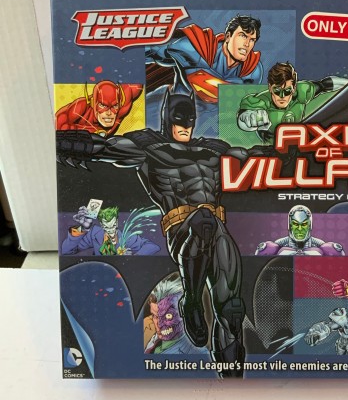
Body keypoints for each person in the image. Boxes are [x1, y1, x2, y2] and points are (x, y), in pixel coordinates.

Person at [56, 89, 272, 377]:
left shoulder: (213, 149)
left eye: (190, 120)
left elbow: (258, 157)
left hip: (216, 227)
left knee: (231, 310)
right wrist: (60, 141)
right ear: (167, 118)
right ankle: (192, 301)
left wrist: (283, 144)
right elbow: (101, 147)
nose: (185, 126)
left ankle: (231, 377)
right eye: (179, 119)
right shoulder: (148, 148)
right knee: (203, 222)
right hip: (182, 228)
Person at [146, 15, 264, 135]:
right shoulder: (195, 47)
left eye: (252, 40)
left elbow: (244, 104)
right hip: (177, 114)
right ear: (228, 36)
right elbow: (150, 50)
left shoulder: (252, 70)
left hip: (213, 125)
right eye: (243, 36)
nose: (247, 44)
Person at [238, 62, 348, 143]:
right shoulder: (262, 102)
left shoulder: (302, 91)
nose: (282, 96)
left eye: (287, 91)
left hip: (300, 145)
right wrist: (247, 118)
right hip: (272, 150)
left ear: (294, 88)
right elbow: (243, 118)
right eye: (277, 91)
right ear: (270, 88)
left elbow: (325, 85)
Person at [144, 273, 210, 356]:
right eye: (155, 316)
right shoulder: (155, 340)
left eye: (168, 315)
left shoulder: (197, 353)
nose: (159, 324)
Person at [61, 206, 160, 256]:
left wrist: (134, 257)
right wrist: (84, 228)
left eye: (113, 226)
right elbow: (66, 251)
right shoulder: (94, 234)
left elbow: (153, 246)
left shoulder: (127, 237)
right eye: (106, 227)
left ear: (116, 222)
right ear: (101, 224)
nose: (111, 231)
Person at [56, 80, 143, 136]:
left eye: (114, 106)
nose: (109, 113)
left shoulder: (121, 107)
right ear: (93, 103)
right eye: (103, 106)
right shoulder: (81, 106)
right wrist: (92, 131)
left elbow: (135, 85)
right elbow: (58, 124)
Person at [255, 205, 345, 256]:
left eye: (304, 224)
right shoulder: (273, 247)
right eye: (296, 224)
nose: (300, 229)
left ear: (309, 226)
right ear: (290, 225)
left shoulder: (325, 248)